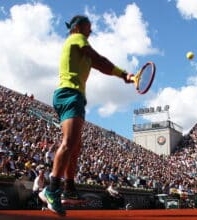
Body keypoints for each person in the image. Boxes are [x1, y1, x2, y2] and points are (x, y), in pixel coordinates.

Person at [39, 15, 133, 216]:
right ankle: (51, 189)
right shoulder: (77, 39)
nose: (90, 32)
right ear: (79, 27)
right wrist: (124, 74)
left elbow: (98, 63)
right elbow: (100, 61)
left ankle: (69, 189)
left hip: (71, 95)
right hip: (70, 94)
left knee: (75, 145)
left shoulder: (77, 44)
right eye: (89, 28)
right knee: (69, 142)